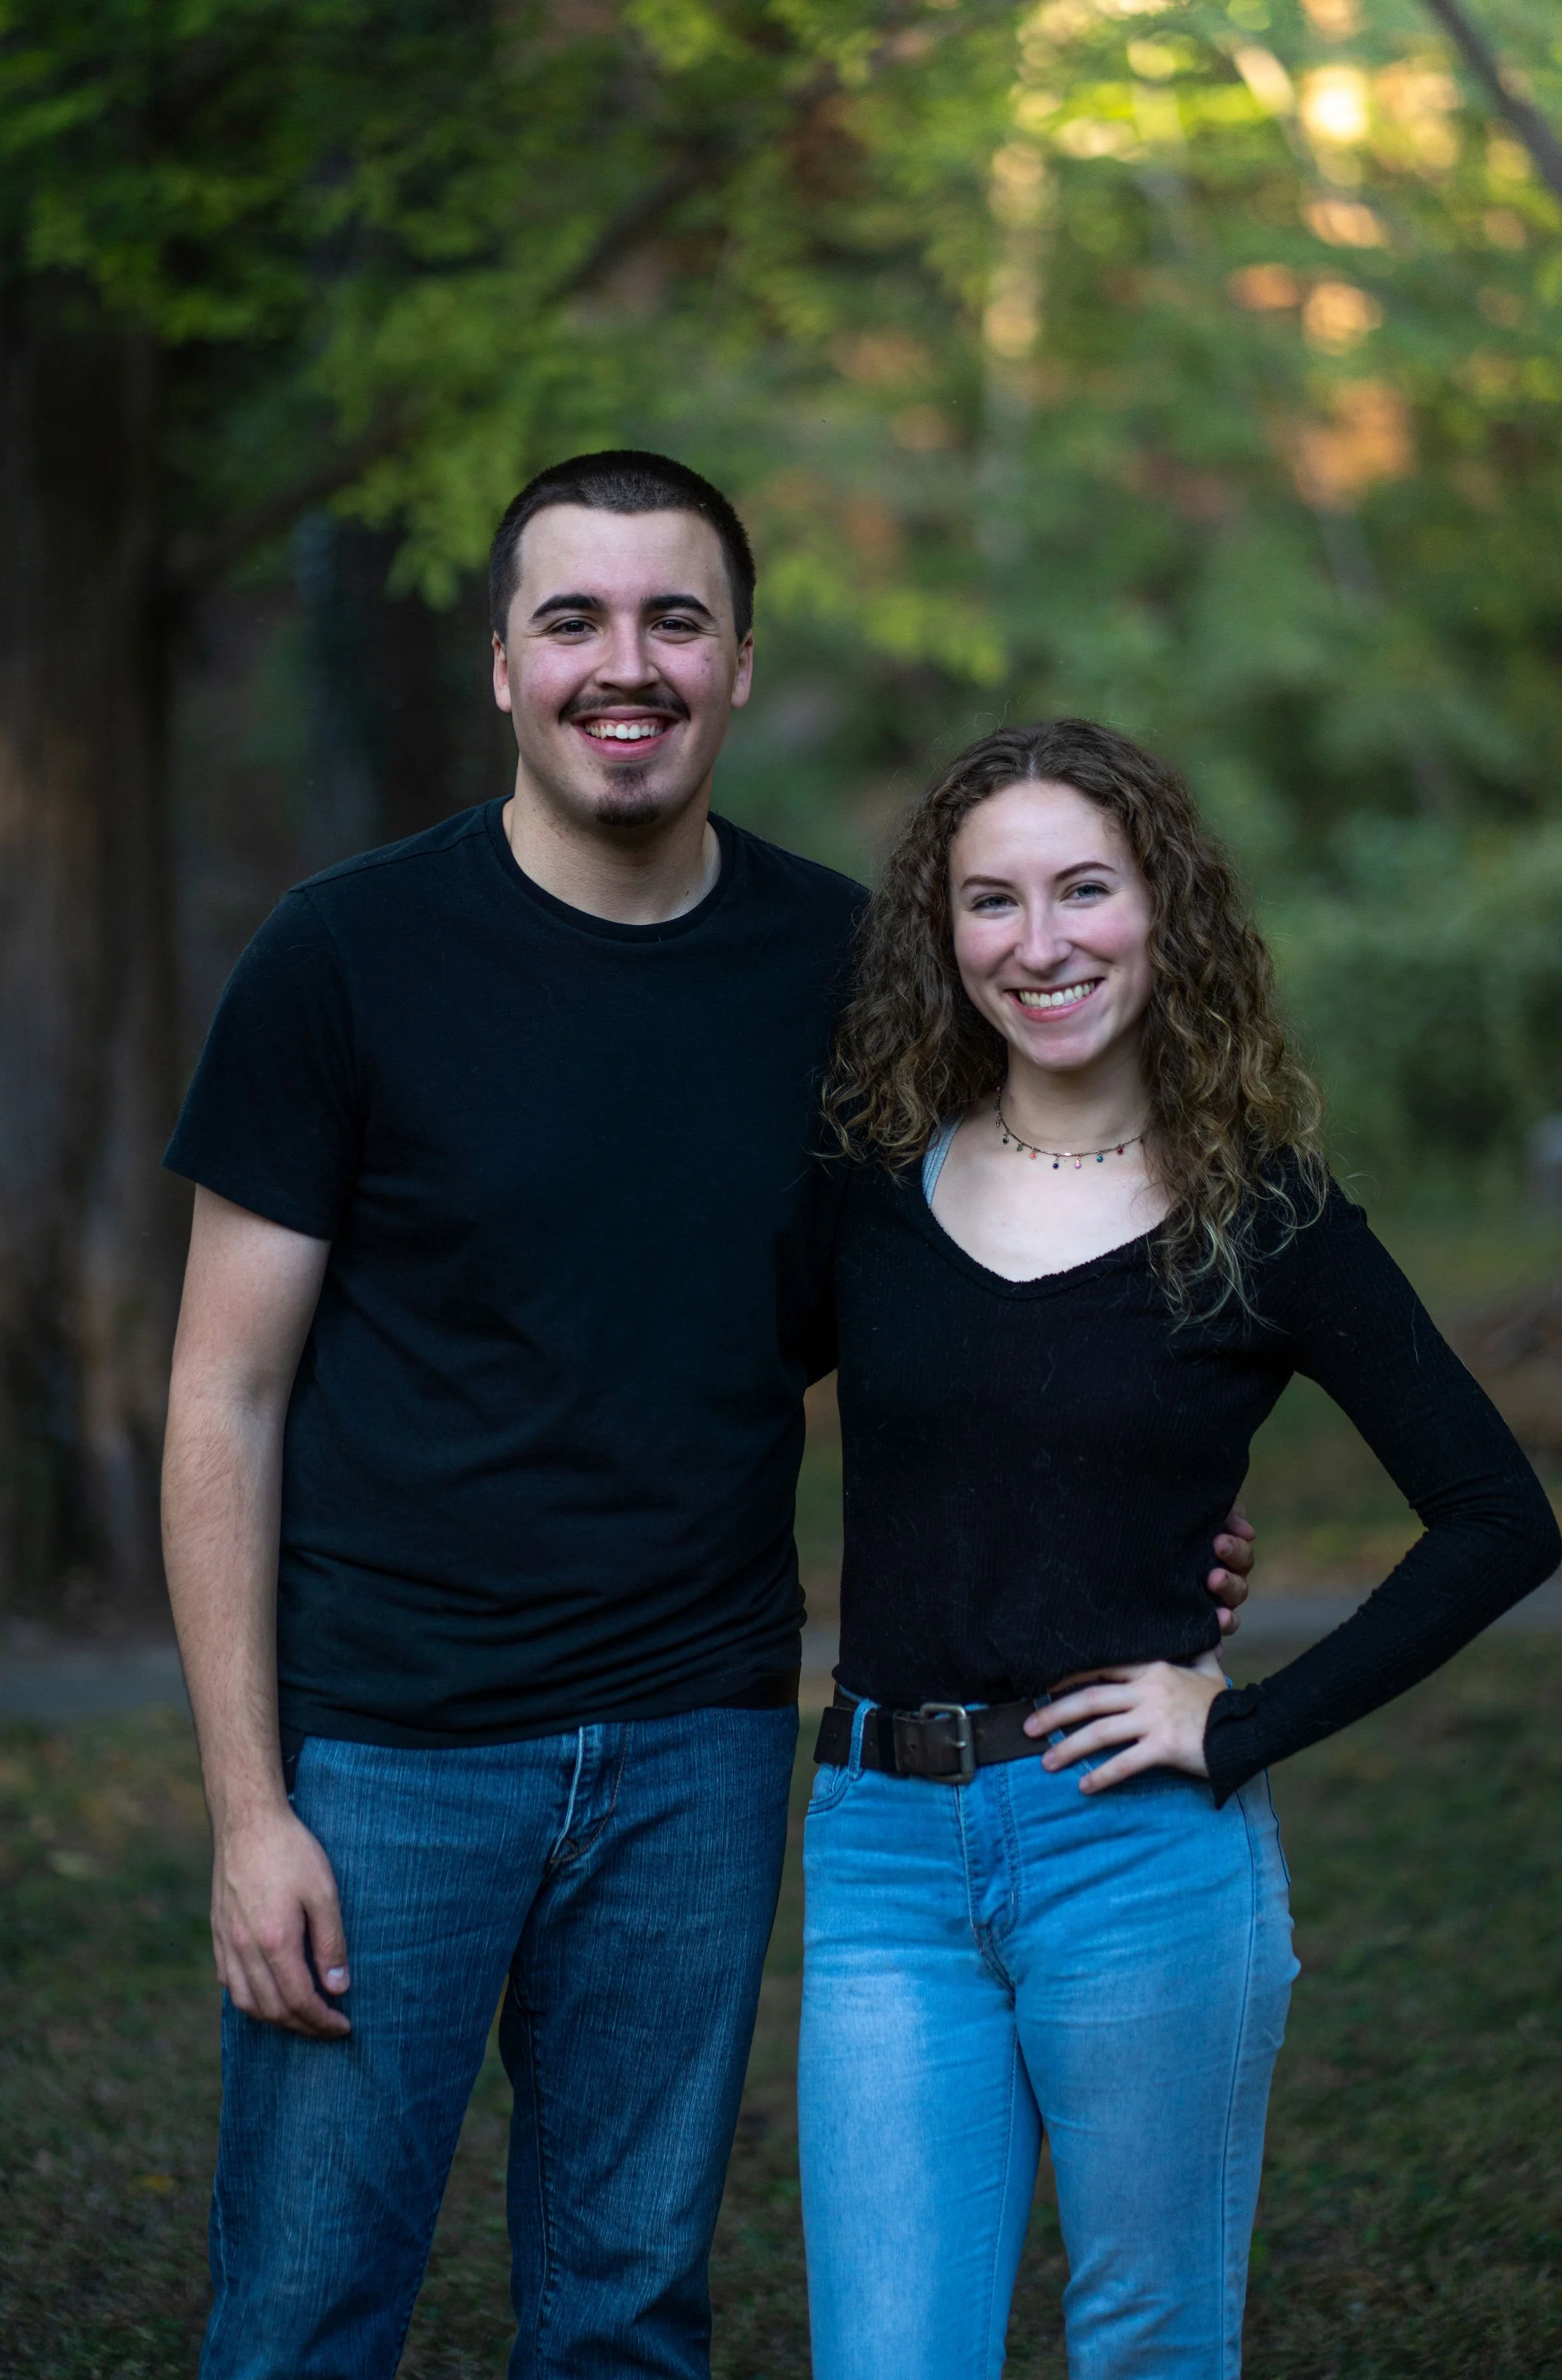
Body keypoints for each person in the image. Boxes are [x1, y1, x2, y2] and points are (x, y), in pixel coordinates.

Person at [161, 457, 1253, 2379]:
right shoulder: (342, 960)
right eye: (572, 618)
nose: (626, 662)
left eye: (676, 619)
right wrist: (252, 1811)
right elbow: (224, 1394)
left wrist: (1146, 1512)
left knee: (628, 2320)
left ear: (740, 663)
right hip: (390, 1752)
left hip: (699, 1741)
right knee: (307, 2313)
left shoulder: (852, 979)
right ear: (502, 664)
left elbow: (973, 1303)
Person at [798, 717, 1560, 2380]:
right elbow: (688, 1409)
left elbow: (1501, 1520)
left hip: (1134, 1855)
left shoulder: (1263, 1216)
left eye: (1086, 889)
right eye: (990, 903)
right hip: (881, 1858)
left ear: (1167, 911)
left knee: (1147, 2344)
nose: (1041, 942)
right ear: (947, 937)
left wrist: (1241, 1720)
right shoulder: (866, 1192)